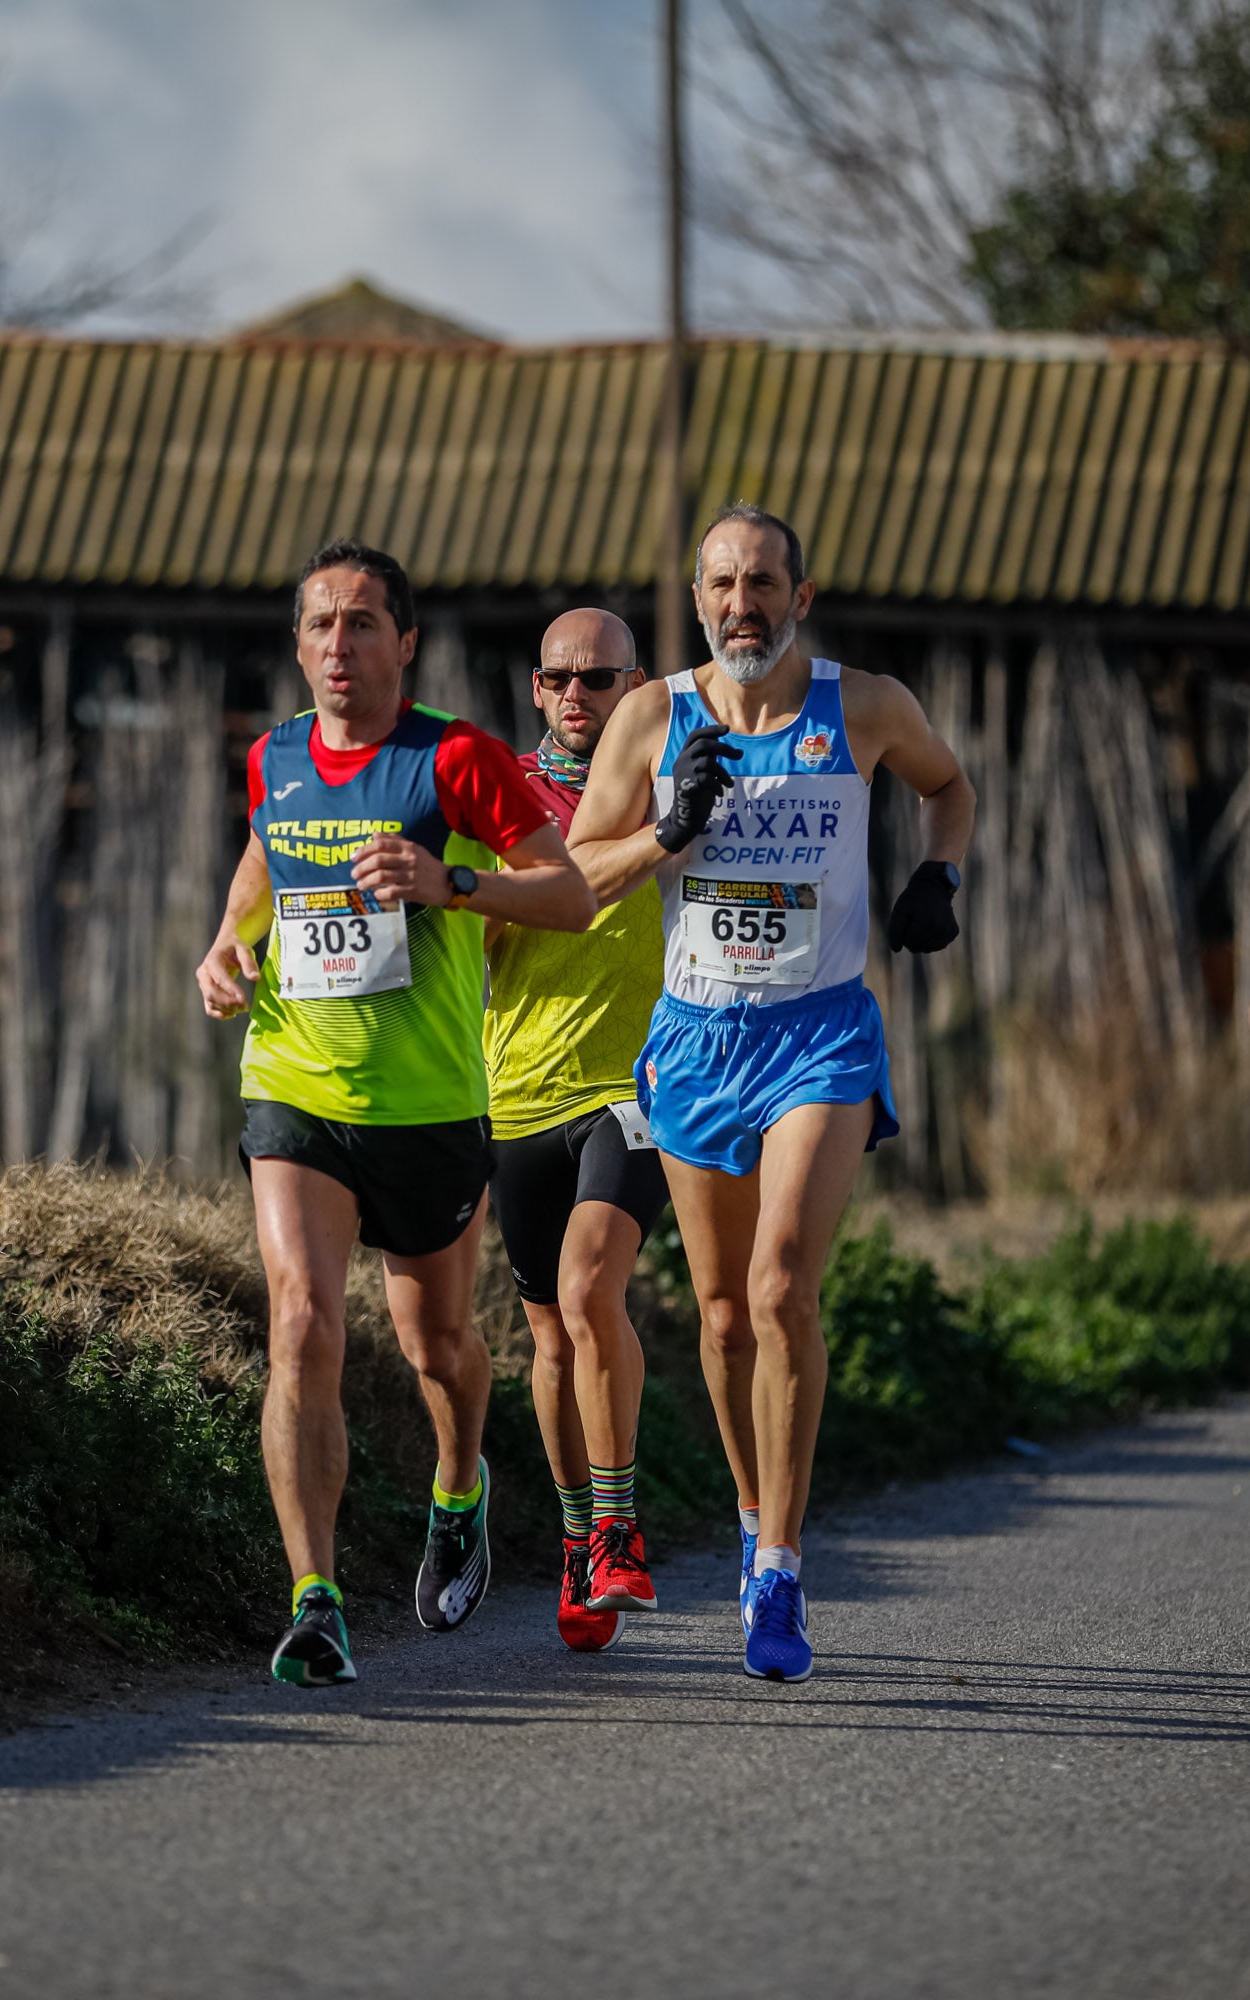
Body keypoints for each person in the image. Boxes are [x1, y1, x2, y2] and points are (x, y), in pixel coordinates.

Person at [569, 504, 974, 1683]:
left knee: (783, 1283)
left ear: (802, 595)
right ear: (695, 601)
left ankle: (787, 1567)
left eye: (762, 582)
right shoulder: (653, 717)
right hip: (697, 1040)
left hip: (821, 1038)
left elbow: (950, 786)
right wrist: (664, 828)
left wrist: (937, 873)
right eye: (720, 584)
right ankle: (752, 1521)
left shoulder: (866, 706)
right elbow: (575, 875)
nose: (740, 602)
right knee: (723, 1310)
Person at [196, 540, 598, 1686]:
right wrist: (228, 947)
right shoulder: (273, 756)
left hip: (427, 1106)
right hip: (296, 1083)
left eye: (363, 622)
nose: (339, 643)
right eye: (320, 623)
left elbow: (567, 892)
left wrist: (453, 882)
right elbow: (262, 868)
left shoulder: (455, 758)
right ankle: (315, 1597)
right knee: (303, 1320)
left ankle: (461, 1478)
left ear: (405, 644)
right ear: (297, 644)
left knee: (437, 1343)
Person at [482, 609, 671, 1653]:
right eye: (557, 679)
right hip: (518, 1092)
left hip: (635, 1086)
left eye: (598, 680)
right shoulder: (501, 797)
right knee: (549, 1335)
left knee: (594, 1287)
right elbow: (487, 921)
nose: (575, 699)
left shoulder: (679, 781)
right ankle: (572, 1540)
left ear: (635, 683)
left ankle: (616, 1524)